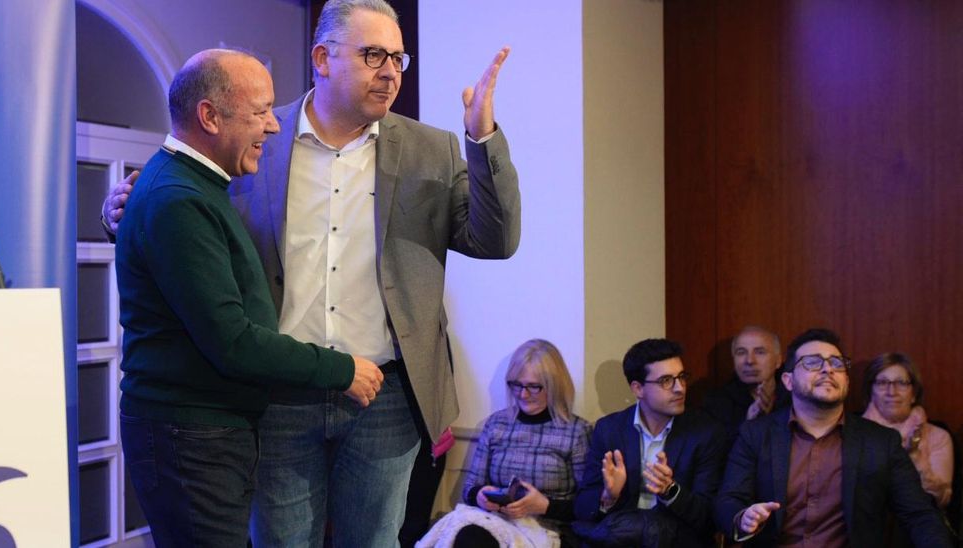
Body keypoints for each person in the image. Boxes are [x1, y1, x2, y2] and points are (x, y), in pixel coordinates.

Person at [106, 1, 520, 544]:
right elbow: (181, 216)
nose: (391, 70)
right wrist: (120, 213)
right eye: (374, 54)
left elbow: (496, 240)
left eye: (399, 57)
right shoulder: (252, 133)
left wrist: (481, 137)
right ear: (322, 58)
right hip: (278, 391)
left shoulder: (431, 149)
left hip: (386, 396)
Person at [114, 49, 383, 548]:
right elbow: (232, 341)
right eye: (260, 111)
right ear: (210, 117)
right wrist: (342, 370)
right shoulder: (179, 198)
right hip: (191, 436)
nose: (273, 127)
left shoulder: (192, 185)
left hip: (200, 432)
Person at [714, 328, 952, 547]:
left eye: (837, 363)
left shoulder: (880, 442)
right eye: (812, 363)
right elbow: (728, 500)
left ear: (846, 381)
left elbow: (919, 515)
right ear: (788, 380)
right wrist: (743, 517)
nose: (828, 369)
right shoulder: (756, 434)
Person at [418, 339, 591, 547]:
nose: (523, 394)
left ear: (554, 385)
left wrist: (544, 505)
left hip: (545, 527)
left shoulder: (576, 431)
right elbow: (470, 488)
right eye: (516, 385)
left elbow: (588, 505)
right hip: (495, 520)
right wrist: (481, 496)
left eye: (533, 387)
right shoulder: (497, 424)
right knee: (470, 536)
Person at [572, 339, 726, 547]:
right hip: (621, 539)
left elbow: (710, 517)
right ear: (638, 389)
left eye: (681, 377)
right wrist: (608, 496)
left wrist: (670, 491)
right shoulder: (609, 429)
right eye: (666, 381)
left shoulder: (705, 432)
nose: (680, 388)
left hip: (677, 540)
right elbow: (582, 506)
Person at [863, 352, 953, 508]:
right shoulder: (852, 434)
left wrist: (914, 456)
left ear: (914, 394)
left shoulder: (938, 436)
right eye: (882, 383)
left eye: (902, 383)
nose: (892, 392)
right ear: (871, 392)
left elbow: (941, 499)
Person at [701, 326, 788, 440]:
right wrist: (748, 423)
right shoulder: (716, 403)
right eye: (741, 353)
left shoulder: (796, 396)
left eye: (760, 352)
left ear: (778, 361)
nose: (750, 361)